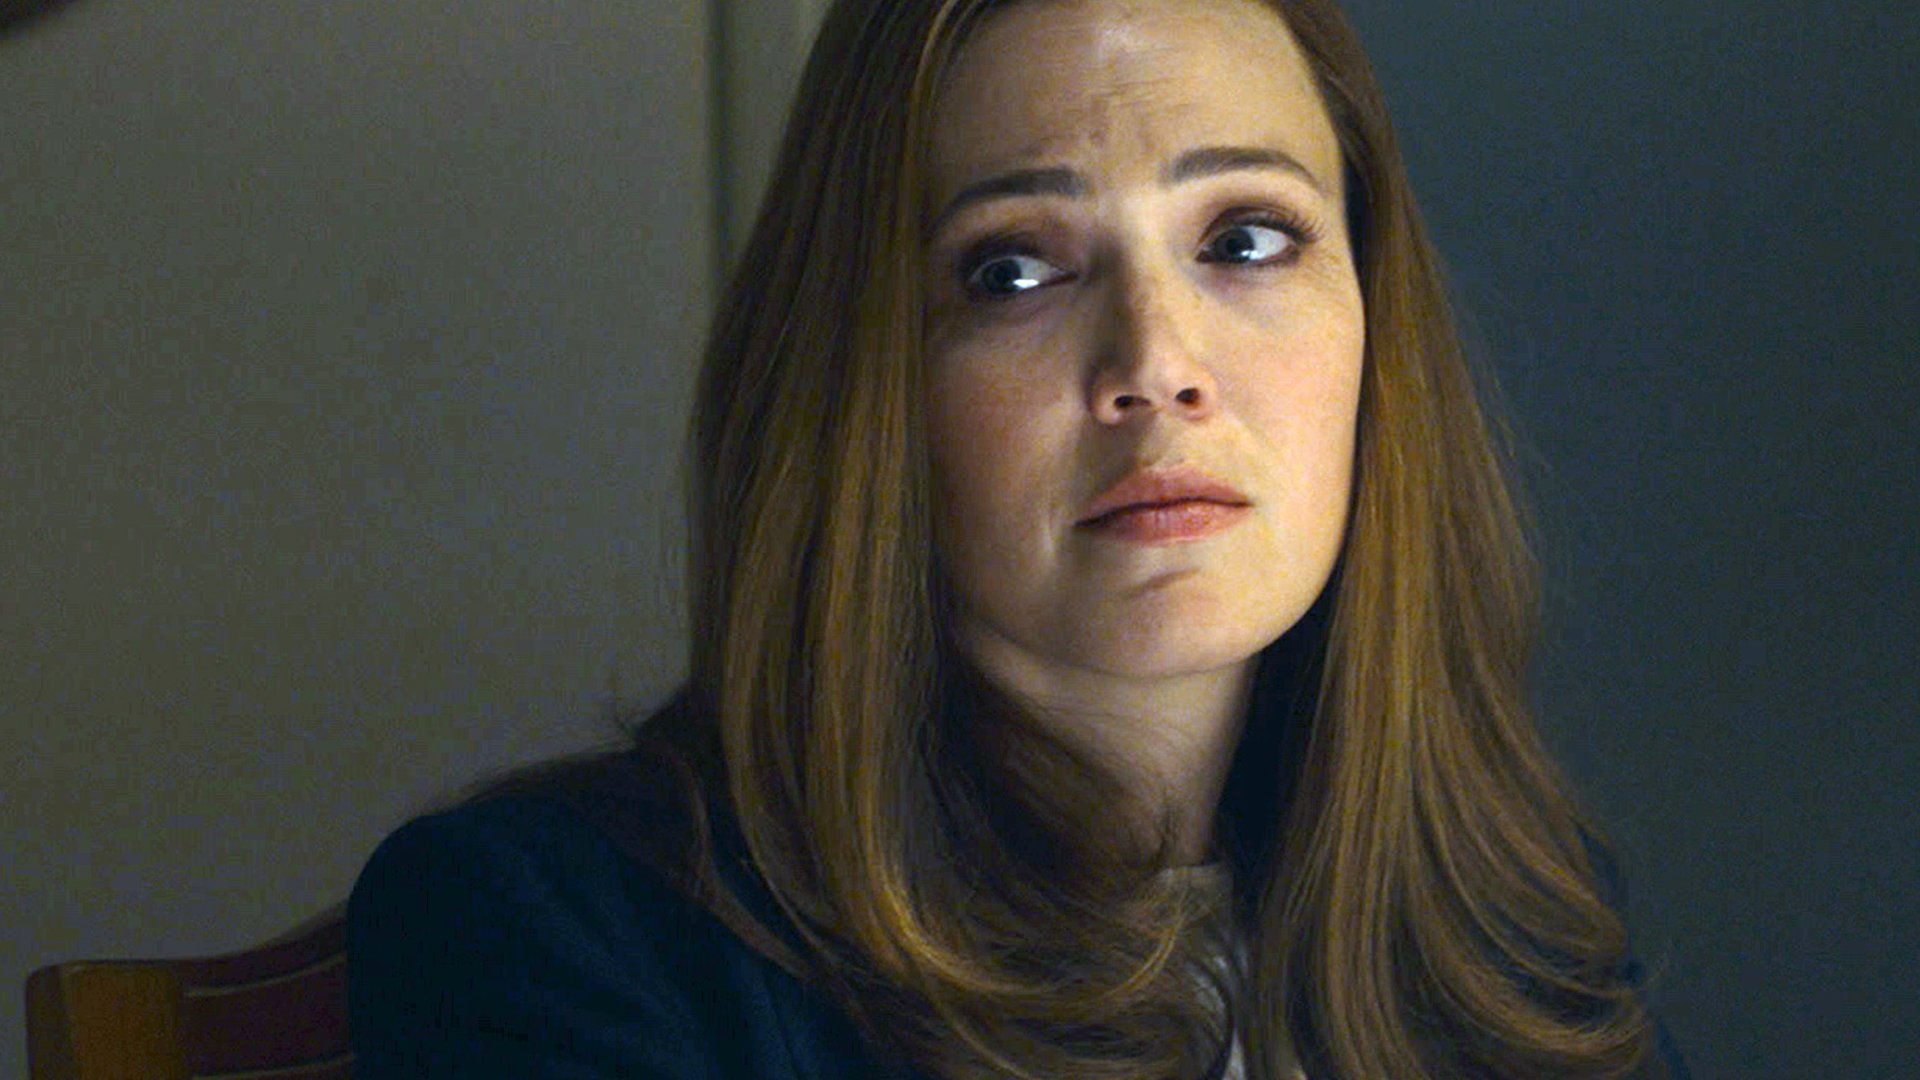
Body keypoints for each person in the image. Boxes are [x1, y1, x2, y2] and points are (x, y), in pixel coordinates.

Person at [346, 0, 1692, 1077]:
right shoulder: (552, 934)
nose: (1157, 364)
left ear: (1371, 319)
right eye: (1014, 270)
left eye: (1245, 239)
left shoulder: (1509, 945)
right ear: (864, 376)